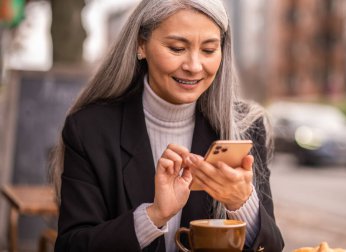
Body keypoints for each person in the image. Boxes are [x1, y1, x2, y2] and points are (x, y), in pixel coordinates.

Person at [52, 0, 284, 251]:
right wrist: (153, 216)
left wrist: (241, 202)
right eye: (177, 48)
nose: (194, 66)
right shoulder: (90, 130)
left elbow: (272, 247)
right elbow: (71, 245)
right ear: (141, 45)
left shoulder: (246, 126)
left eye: (208, 50)